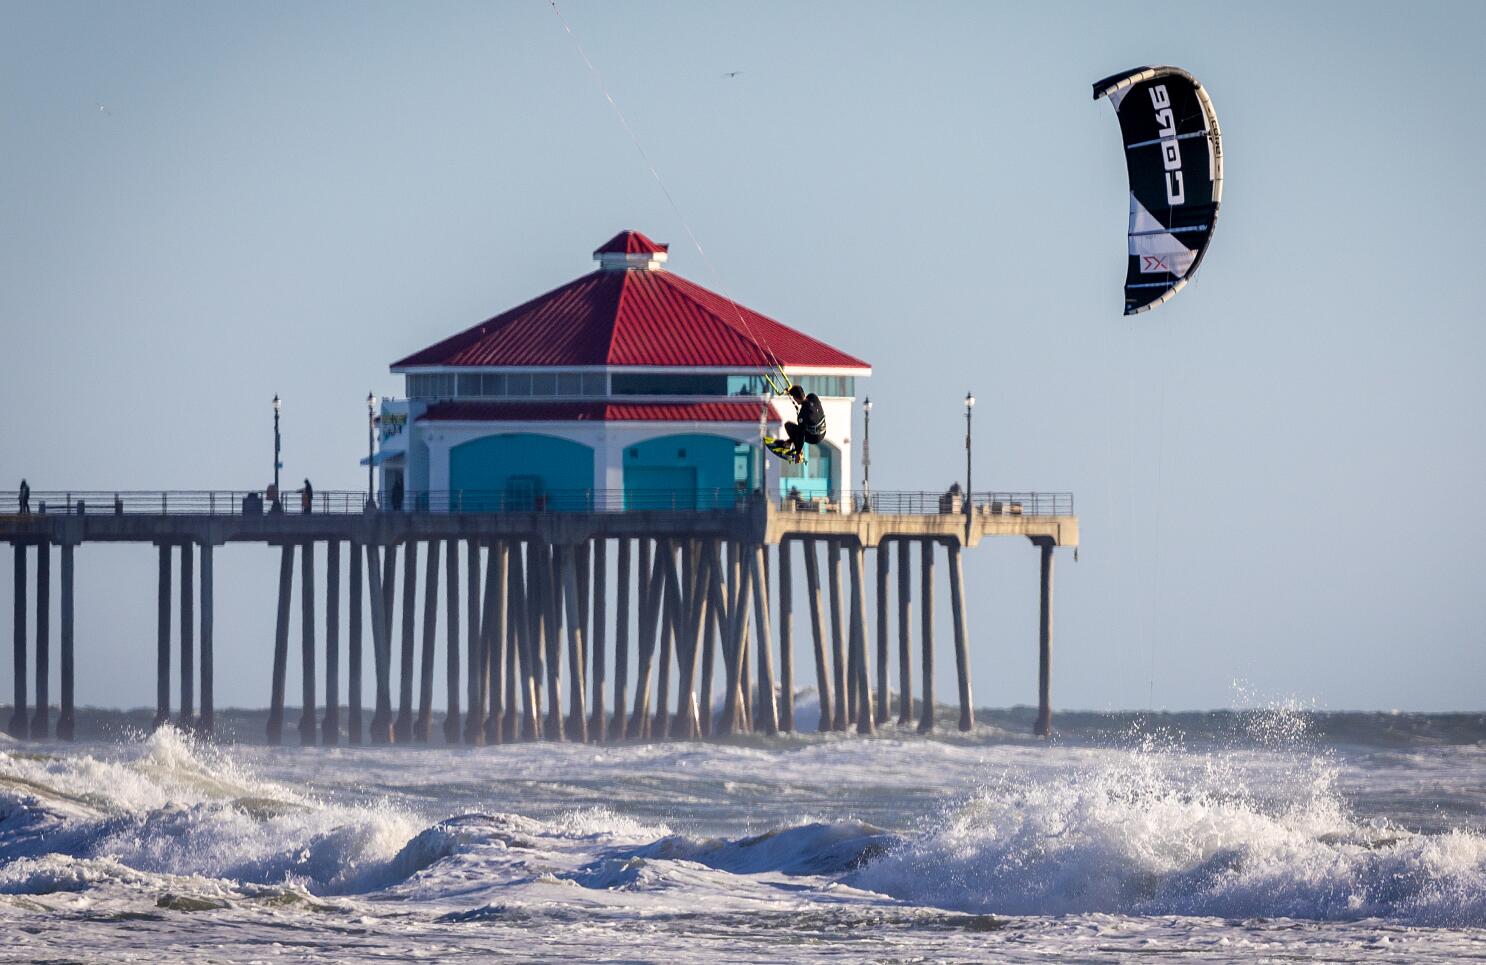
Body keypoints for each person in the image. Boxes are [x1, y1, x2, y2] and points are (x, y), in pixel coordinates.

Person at [781, 384, 827, 461]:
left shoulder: (802, 415)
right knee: (800, 430)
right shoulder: (813, 397)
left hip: (814, 438)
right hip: (823, 432)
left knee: (788, 426)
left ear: (796, 398)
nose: (794, 400)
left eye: (794, 398)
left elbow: (801, 435)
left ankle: (797, 451)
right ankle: (790, 442)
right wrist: (791, 391)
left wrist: (798, 452)